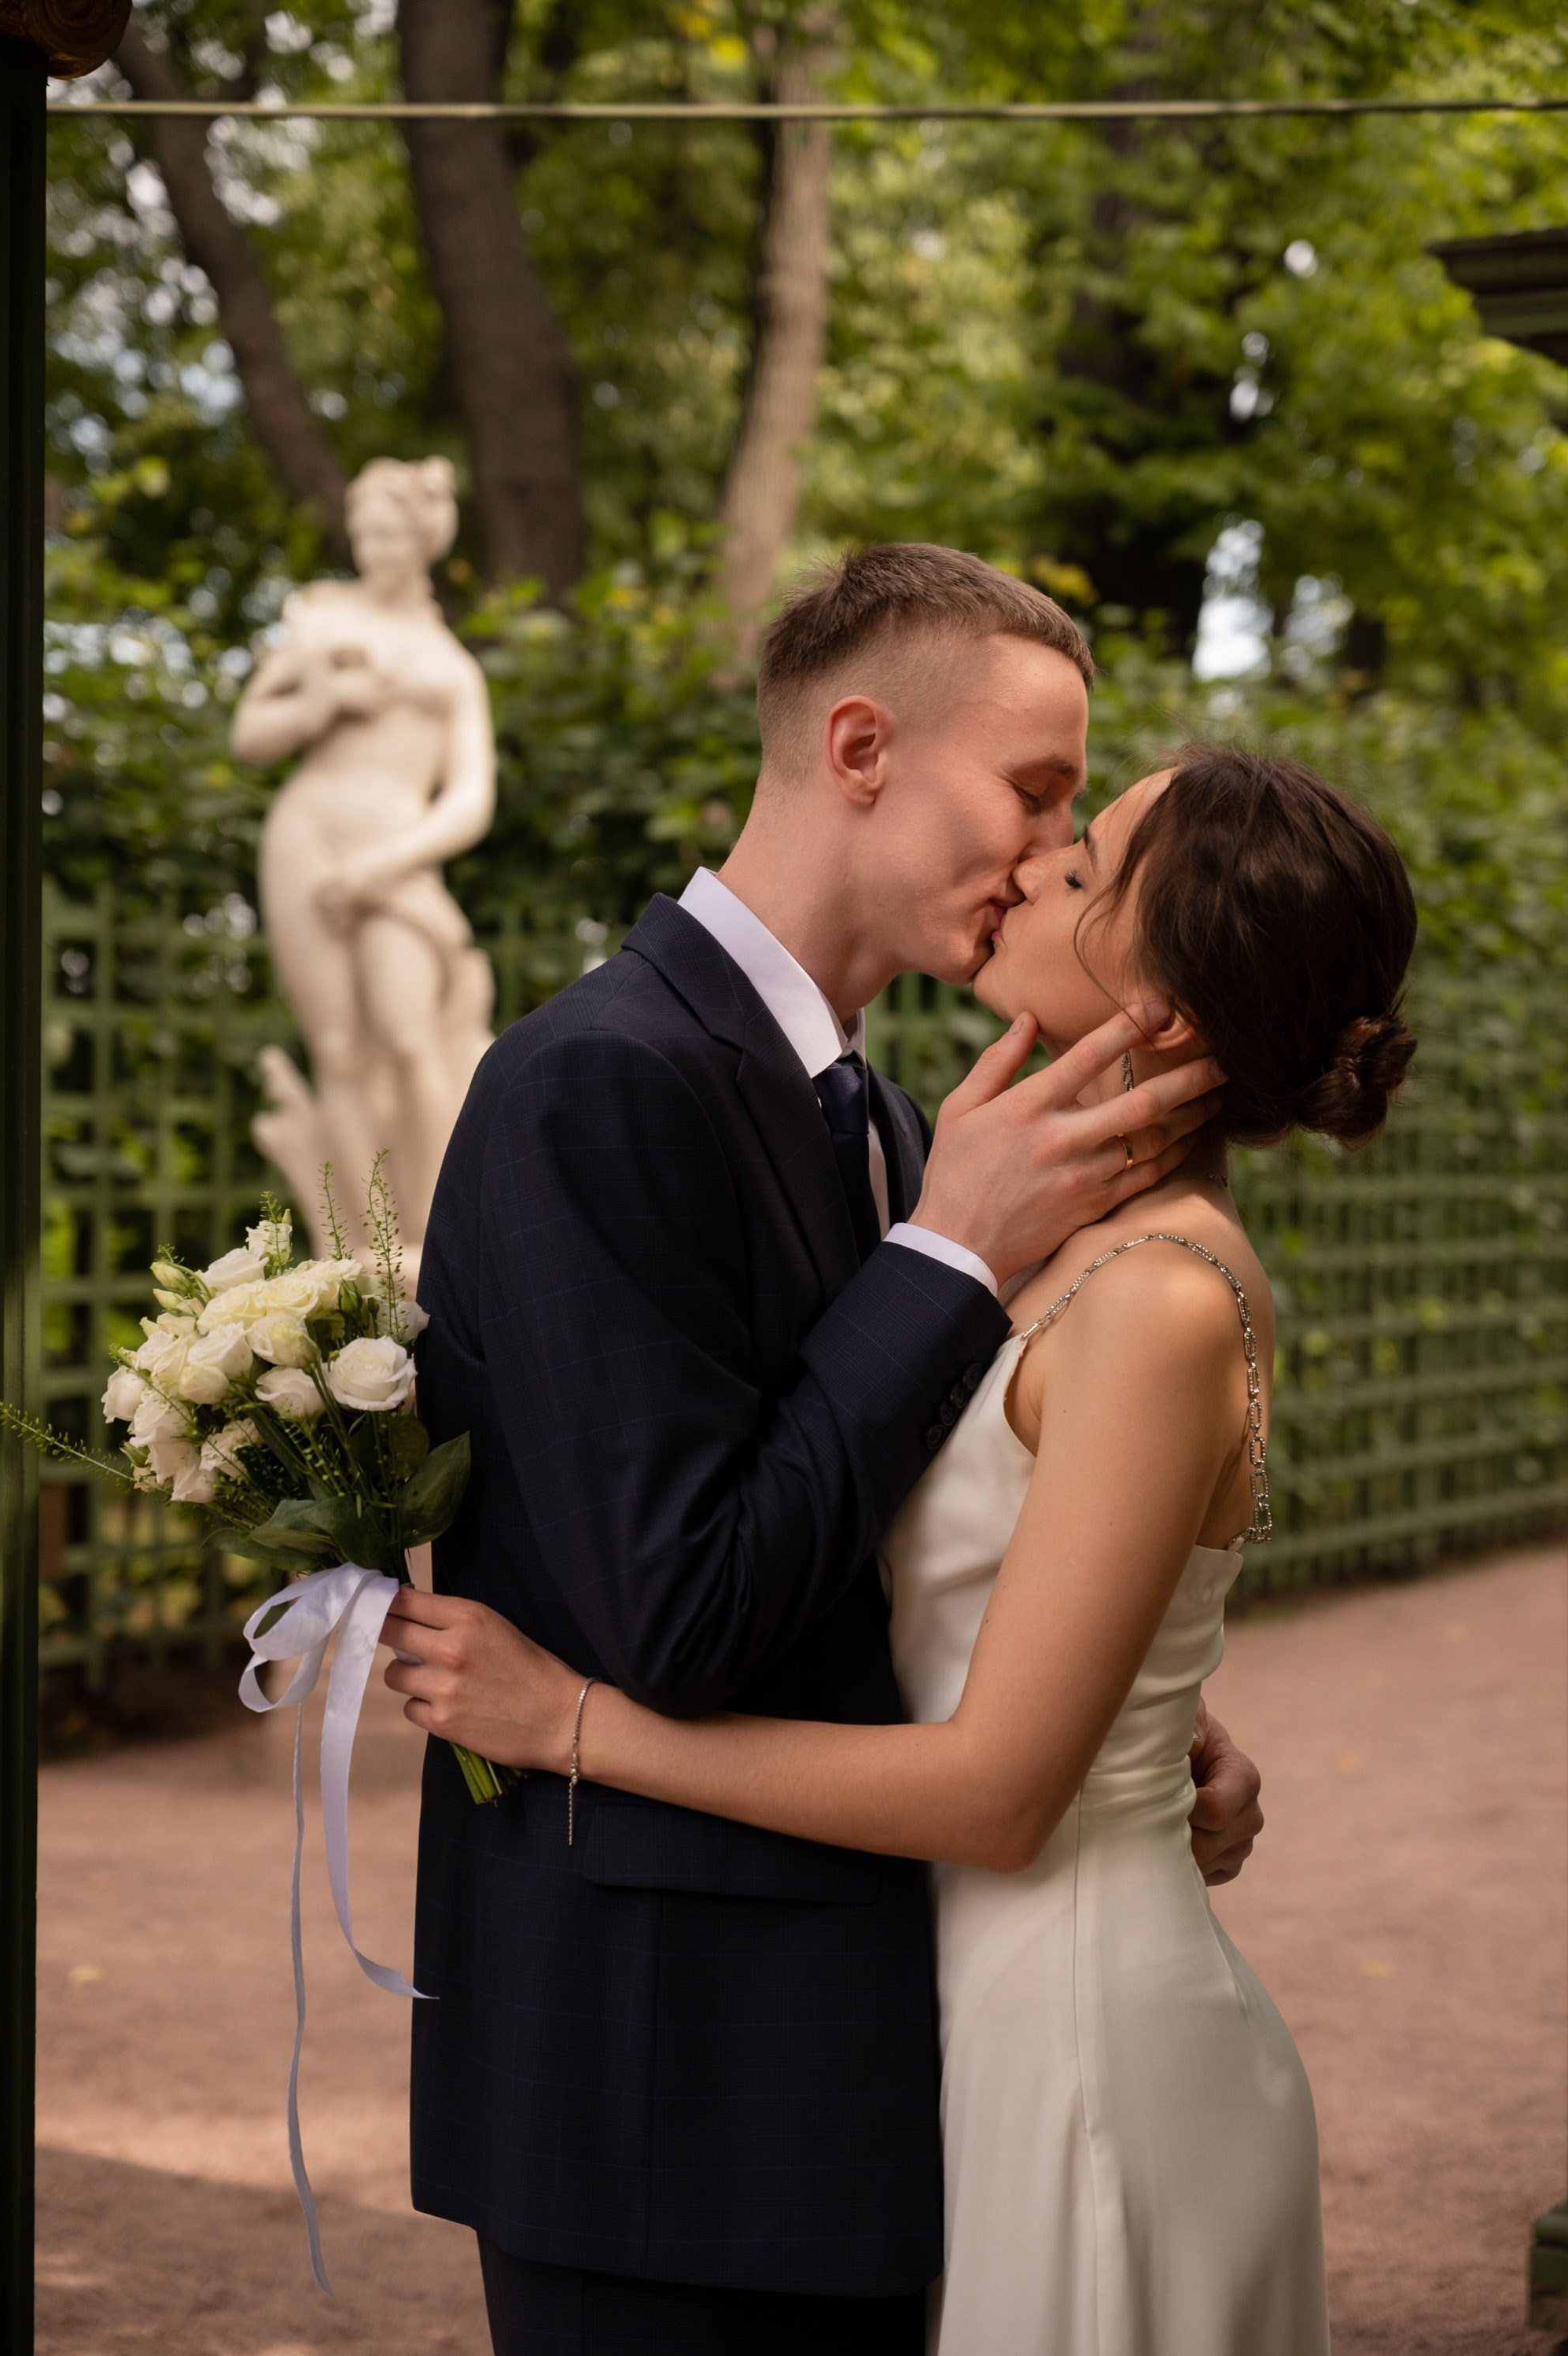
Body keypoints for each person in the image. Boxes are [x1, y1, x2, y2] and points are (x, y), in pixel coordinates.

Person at [389, 545, 1267, 2355]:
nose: (1046, 857)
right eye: (1033, 792)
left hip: (866, 2066)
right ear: (858, 745)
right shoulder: (596, 1081)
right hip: (657, 2082)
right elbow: (682, 1614)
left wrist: (1108, 1693)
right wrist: (944, 1257)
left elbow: (876, 1526)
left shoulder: (876, 1111)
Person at [231, 455, 496, 1264]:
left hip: (394, 857)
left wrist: (386, 865)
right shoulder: (319, 616)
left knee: (412, 1036)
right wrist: (321, 700)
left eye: (385, 531)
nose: (368, 545)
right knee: (341, 1051)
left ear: (421, 537)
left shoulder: (451, 663)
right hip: (306, 837)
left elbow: (469, 798)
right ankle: (367, 1249)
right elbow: (248, 736)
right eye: (360, 531)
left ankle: (443, 1235)